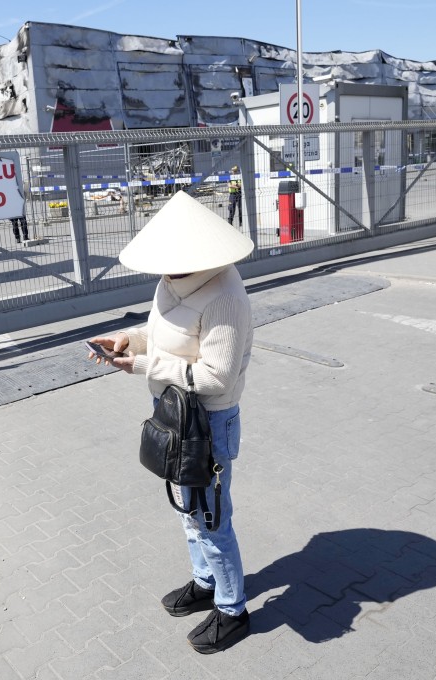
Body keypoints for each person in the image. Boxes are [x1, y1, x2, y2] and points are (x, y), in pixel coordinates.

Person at [87, 191, 255, 654]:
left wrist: (143, 365)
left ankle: (232, 609)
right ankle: (205, 582)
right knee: (189, 512)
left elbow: (215, 376)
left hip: (209, 420)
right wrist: (128, 339)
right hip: (176, 414)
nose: (163, 268)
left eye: (170, 259)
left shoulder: (225, 294)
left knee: (210, 518)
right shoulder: (170, 280)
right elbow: (163, 333)